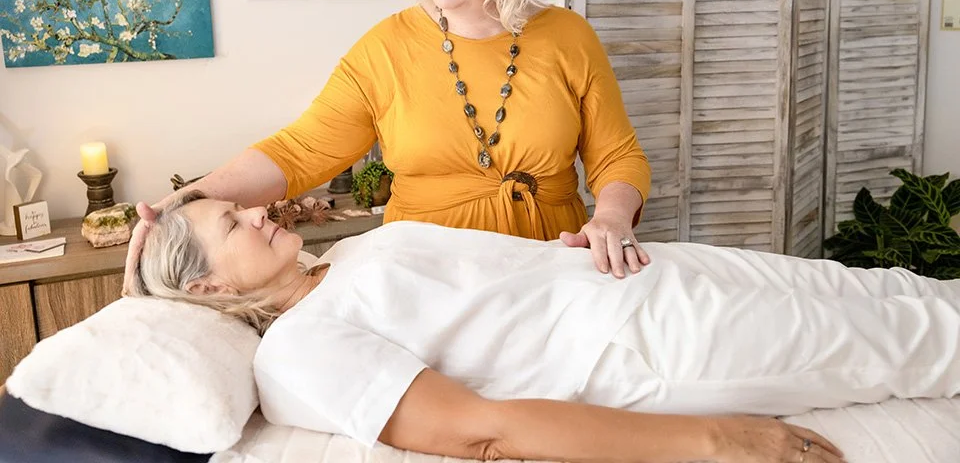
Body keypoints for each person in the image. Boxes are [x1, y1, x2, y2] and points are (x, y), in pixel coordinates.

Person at [122, 0, 652, 295]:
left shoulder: (568, 36)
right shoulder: (385, 48)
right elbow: (300, 151)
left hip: (549, 264)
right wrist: (185, 199)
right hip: (425, 278)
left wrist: (611, 216)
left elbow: (617, 155)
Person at [131, 191, 960, 463]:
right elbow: (484, 429)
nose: (257, 211)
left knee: (902, 292)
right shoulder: (299, 352)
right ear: (207, 285)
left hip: (646, 270)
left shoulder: (341, 255)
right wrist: (718, 439)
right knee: (922, 346)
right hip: (655, 342)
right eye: (233, 222)